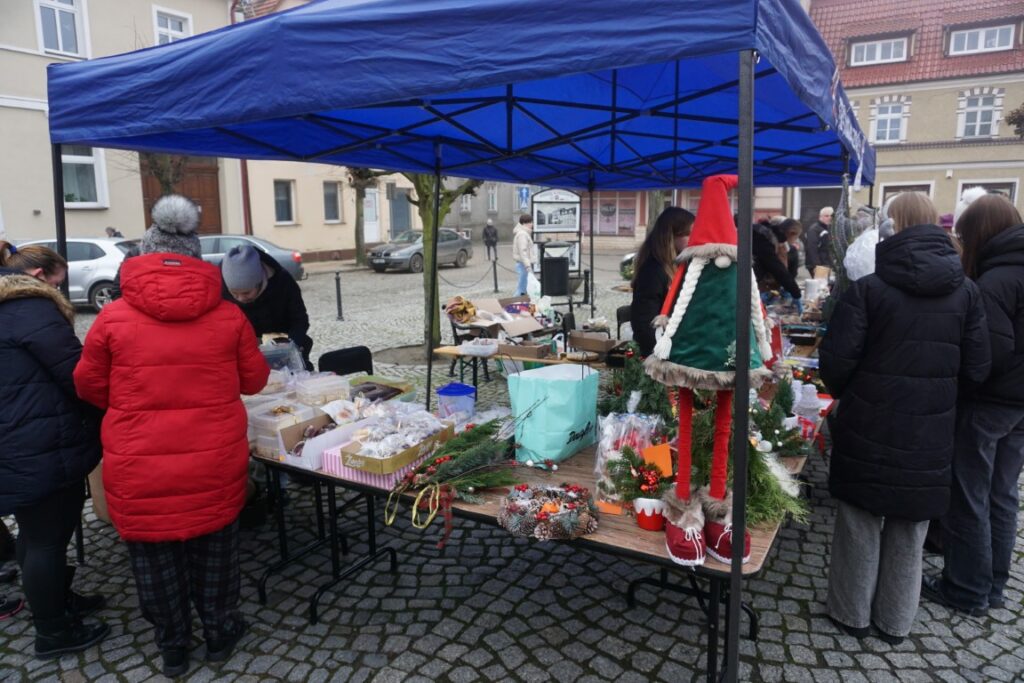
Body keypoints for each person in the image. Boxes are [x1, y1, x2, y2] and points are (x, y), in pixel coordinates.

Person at [74, 195, 270, 676]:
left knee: (154, 557)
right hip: (214, 459)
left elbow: (88, 386)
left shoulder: (112, 317)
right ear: (197, 256)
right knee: (216, 552)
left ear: (143, 254)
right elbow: (255, 381)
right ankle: (221, 633)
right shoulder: (228, 316)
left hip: (139, 461)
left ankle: (174, 647)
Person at [818, 192, 990, 645]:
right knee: (910, 528)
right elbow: (977, 368)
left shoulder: (869, 289)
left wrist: (856, 394)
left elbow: (835, 364)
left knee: (859, 519)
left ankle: (850, 612)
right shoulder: (967, 291)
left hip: (869, 423)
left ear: (893, 227)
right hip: (930, 429)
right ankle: (895, 621)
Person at [0, 241, 108, 656]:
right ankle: (53, 631)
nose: (64, 291)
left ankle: (56, 603)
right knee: (47, 536)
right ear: (38, 277)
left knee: (34, 532)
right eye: (60, 280)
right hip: (39, 443)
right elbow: (78, 376)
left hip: (19, 439)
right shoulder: (30, 309)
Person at [922, 194, 1024, 617]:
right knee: (1002, 493)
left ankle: (966, 589)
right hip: (1018, 404)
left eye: (964, 235)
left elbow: (990, 354)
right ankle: (993, 586)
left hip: (990, 403)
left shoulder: (997, 280)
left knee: (970, 495)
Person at [221, 245, 313, 370]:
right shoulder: (220, 288)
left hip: (285, 348)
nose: (240, 298)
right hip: (245, 353)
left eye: (246, 293)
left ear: (259, 282)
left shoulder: (283, 282)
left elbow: (300, 320)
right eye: (234, 293)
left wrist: (291, 345)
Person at [629, 206, 695, 356]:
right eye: (689, 234)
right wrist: (664, 354)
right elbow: (644, 324)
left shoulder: (678, 265)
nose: (693, 239)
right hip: (659, 356)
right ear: (672, 236)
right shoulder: (653, 271)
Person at [752, 218, 801, 301]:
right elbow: (777, 268)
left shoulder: (767, 234)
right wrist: (796, 293)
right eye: (795, 238)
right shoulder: (765, 239)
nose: (794, 242)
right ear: (791, 233)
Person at [804, 206, 833, 273]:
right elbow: (811, 248)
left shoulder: (827, 228)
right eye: (826, 216)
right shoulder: (814, 230)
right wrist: (817, 265)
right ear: (820, 216)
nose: (829, 218)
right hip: (818, 264)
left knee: (825, 282)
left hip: (825, 263)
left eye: (831, 216)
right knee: (820, 282)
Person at [512, 214, 535, 296]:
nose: (532, 224)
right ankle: (512, 305)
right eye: (530, 222)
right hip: (523, 264)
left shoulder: (523, 233)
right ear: (524, 223)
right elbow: (523, 252)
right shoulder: (522, 234)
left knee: (523, 289)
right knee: (521, 289)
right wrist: (528, 266)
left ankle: (518, 305)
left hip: (522, 264)